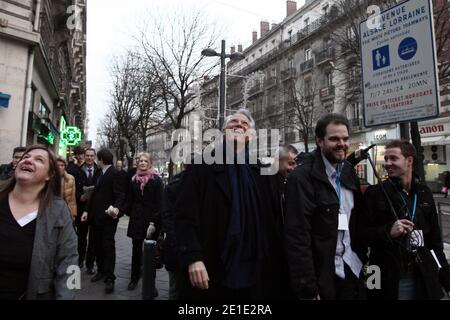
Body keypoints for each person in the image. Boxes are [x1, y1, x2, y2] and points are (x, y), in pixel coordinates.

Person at [174, 109, 286, 300]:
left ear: (251, 135)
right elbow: (184, 216)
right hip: (213, 267)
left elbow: (275, 221)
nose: (239, 125)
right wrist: (193, 258)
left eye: (245, 124)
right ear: (223, 132)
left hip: (257, 269)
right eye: (233, 122)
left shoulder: (264, 173)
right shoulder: (201, 166)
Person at [285, 113, 367, 300]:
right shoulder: (301, 178)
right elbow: (297, 237)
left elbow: (358, 222)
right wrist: (307, 287)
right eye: (334, 139)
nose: (342, 144)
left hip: (351, 268)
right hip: (323, 275)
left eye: (345, 138)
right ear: (320, 141)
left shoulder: (347, 171)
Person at [359, 140, 450, 300]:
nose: (387, 163)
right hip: (382, 275)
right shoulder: (375, 193)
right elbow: (361, 235)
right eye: (386, 159)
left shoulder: (424, 191)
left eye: (393, 158)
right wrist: (388, 231)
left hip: (422, 275)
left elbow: (434, 243)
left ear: (409, 160)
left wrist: (447, 281)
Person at [0, 145, 78, 299]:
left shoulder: (59, 210)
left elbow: (70, 263)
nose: (28, 160)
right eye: (26, 157)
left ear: (49, 175)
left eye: (39, 160)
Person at [81, 148, 126, 293]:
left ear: (101, 159)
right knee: (96, 245)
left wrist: (117, 209)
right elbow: (92, 194)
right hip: (95, 217)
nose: (95, 161)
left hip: (108, 218)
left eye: (96, 158)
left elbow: (120, 195)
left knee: (108, 246)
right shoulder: (99, 173)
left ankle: (110, 278)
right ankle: (100, 270)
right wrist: (87, 211)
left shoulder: (116, 173)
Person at [125, 153, 163, 290]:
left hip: (151, 222)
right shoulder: (133, 180)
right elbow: (129, 200)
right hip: (136, 220)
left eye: (145, 161)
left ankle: (151, 284)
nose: (142, 163)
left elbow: (159, 203)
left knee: (150, 253)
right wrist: (125, 212)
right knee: (136, 251)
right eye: (140, 161)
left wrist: (153, 222)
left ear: (150, 163)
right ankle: (134, 278)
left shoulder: (156, 180)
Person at [74, 148, 101, 274]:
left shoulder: (99, 171)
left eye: (91, 156)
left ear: (95, 157)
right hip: (81, 208)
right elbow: (74, 189)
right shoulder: (77, 171)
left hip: (95, 209)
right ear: (84, 156)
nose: (89, 158)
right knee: (81, 237)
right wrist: (80, 196)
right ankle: (80, 259)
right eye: (87, 155)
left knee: (94, 238)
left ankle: (90, 264)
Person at [56, 157, 77, 221]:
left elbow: (72, 199)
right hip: (52, 210)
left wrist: (73, 214)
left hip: (65, 210)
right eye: (57, 165)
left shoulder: (70, 179)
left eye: (62, 165)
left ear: (65, 167)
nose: (60, 167)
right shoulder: (49, 178)